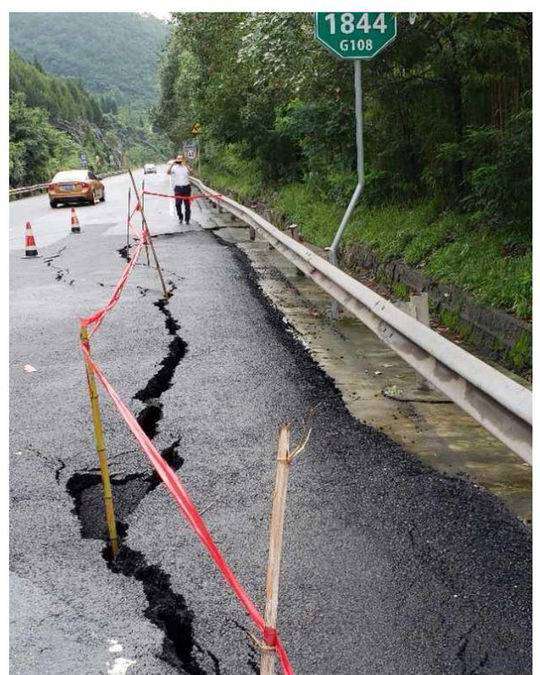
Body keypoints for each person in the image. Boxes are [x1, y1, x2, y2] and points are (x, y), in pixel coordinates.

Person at [167, 155, 191, 224]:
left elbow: (191, 173)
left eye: (181, 159)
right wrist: (172, 164)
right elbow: (168, 172)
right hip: (178, 188)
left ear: (183, 160)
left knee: (187, 205)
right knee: (177, 204)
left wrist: (186, 165)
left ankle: (187, 219)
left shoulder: (186, 167)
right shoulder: (174, 168)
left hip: (186, 188)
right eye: (178, 159)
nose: (179, 160)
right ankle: (180, 217)